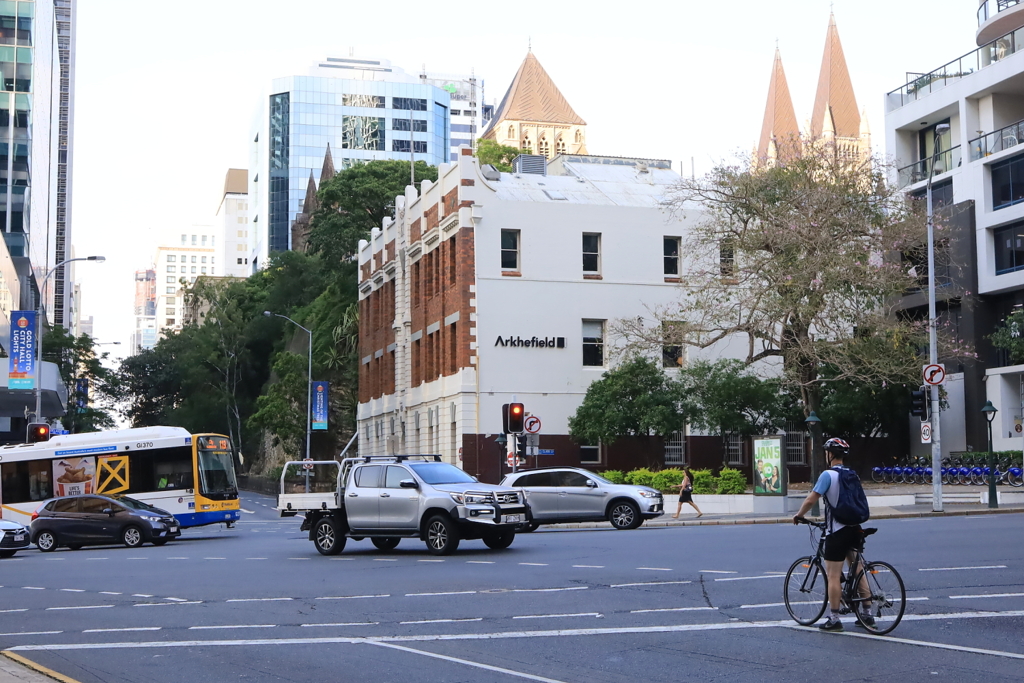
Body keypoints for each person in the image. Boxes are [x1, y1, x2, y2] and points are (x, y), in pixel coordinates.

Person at [793, 437, 872, 632]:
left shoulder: (828, 475)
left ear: (830, 454)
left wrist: (799, 515)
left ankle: (834, 618)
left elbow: (812, 499)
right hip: (855, 527)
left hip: (837, 531)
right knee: (857, 569)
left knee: (833, 575)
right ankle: (868, 614)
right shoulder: (851, 473)